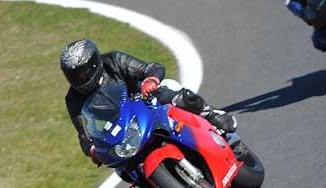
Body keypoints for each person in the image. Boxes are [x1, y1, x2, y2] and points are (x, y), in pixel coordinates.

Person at [59, 39, 238, 165]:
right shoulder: (73, 99)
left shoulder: (113, 61)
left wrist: (151, 80)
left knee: (176, 95)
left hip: (146, 100)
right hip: (122, 127)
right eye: (73, 76)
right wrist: (92, 151)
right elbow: (84, 135)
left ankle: (212, 115)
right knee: (121, 166)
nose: (79, 80)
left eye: (82, 73)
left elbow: (152, 68)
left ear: (94, 64)